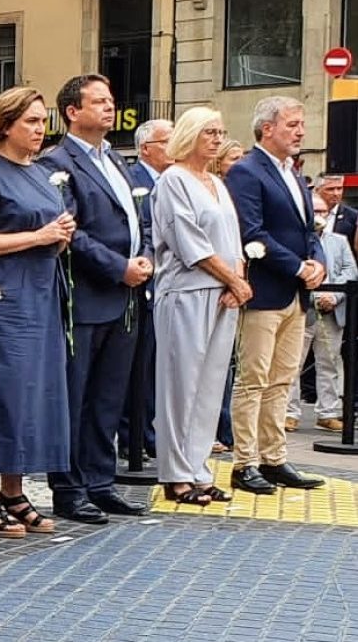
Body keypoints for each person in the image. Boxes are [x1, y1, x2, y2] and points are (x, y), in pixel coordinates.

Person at [40, 74, 151, 524]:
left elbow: (136, 218)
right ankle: (68, 488)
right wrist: (117, 266)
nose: (110, 108)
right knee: (77, 393)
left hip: (126, 295)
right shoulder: (58, 162)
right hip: (86, 295)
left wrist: (142, 257)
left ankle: (101, 481)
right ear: (72, 111)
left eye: (111, 100)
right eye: (99, 101)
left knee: (110, 393)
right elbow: (71, 231)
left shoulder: (118, 161)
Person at [0, 87, 73, 538]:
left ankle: (15, 489)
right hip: (1, 298)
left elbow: (49, 227)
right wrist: (38, 237)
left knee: (33, 396)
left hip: (41, 295)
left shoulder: (42, 171)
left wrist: (61, 234)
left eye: (41, 120)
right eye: (29, 121)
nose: (39, 128)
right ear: (6, 124)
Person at [224, 95, 326, 495]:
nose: (301, 131)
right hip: (264, 292)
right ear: (267, 128)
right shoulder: (247, 171)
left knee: (282, 381)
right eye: (292, 124)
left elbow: (307, 230)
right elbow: (252, 232)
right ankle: (244, 462)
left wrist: (316, 261)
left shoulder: (294, 173)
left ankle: (274, 458)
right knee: (253, 379)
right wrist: (299, 266)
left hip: (294, 294)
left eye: (301, 124)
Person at [151, 107, 249, 505]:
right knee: (180, 384)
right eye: (209, 131)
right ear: (190, 135)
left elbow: (234, 237)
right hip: (187, 292)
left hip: (224, 291)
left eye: (221, 131)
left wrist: (238, 282)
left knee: (211, 385)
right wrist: (232, 278)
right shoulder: (173, 179)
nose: (217, 138)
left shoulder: (217, 182)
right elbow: (188, 242)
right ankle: (175, 474)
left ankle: (199, 468)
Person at [118, 118, 173, 464]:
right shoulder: (134, 179)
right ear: (145, 148)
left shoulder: (172, 180)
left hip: (162, 282)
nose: (174, 146)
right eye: (167, 140)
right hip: (135, 283)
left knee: (154, 366)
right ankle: (132, 437)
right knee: (135, 367)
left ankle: (148, 433)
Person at [286, 192, 357, 432]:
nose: (319, 217)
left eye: (323, 212)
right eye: (314, 212)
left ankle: (327, 412)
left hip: (332, 312)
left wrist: (334, 297)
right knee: (292, 364)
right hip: (303, 310)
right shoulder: (295, 239)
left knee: (329, 363)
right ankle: (289, 412)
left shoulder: (339, 240)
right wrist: (315, 296)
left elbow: (350, 270)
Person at [210, 138, 245, 454]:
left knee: (229, 364)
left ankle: (226, 427)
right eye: (233, 158)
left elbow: (239, 241)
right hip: (209, 286)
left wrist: (239, 279)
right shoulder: (207, 187)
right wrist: (231, 279)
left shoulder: (233, 193)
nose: (239, 163)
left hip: (237, 286)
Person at [315, 173, 357, 253]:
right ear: (317, 190)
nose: (336, 193)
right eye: (330, 189)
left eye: (339, 188)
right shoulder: (306, 212)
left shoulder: (353, 217)